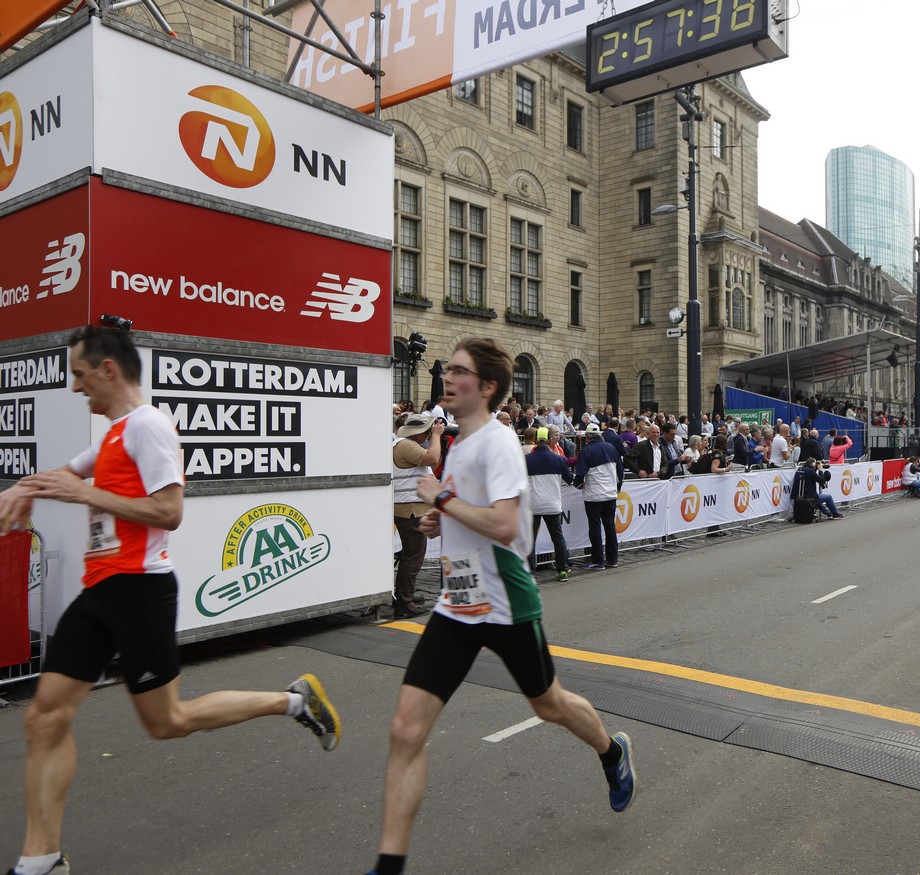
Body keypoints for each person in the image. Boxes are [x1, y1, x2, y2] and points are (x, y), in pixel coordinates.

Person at [0, 322, 340, 875]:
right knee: (43, 718)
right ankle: (41, 860)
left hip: (140, 591)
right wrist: (23, 487)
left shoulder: (149, 426)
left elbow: (169, 511)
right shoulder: (114, 434)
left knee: (168, 722)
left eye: (80, 374)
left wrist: (85, 493)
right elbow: (65, 475)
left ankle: (293, 701)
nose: (74, 386)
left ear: (108, 369)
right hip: (100, 590)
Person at [369, 340, 635, 875]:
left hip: (504, 601)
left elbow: (507, 524)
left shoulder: (498, 443)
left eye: (459, 371)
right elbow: (471, 513)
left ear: (487, 386)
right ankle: (389, 866)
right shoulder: (461, 444)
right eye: (448, 368)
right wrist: (440, 520)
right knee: (405, 730)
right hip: (457, 604)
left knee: (549, 705)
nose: (448, 377)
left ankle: (612, 752)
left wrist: (442, 500)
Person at [394, 412, 440, 619]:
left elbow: (434, 462)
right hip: (410, 509)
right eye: (427, 431)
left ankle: (405, 595)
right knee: (412, 557)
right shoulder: (405, 445)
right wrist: (437, 436)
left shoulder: (407, 444)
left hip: (410, 507)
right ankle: (404, 604)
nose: (429, 434)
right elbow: (433, 458)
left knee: (411, 555)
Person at [573, 422, 624, 570]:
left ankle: (597, 560)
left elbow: (580, 473)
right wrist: (617, 488)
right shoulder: (611, 448)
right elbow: (620, 471)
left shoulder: (586, 450)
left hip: (593, 495)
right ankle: (612, 559)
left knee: (595, 527)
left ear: (588, 437)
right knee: (610, 526)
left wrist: (576, 484)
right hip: (610, 494)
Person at [526, 427, 574, 581]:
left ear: (535, 440)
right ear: (548, 440)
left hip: (533, 505)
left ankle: (529, 572)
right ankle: (562, 570)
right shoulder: (559, 459)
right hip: (552, 504)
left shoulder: (526, 460)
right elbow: (570, 479)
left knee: (530, 539)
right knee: (557, 537)